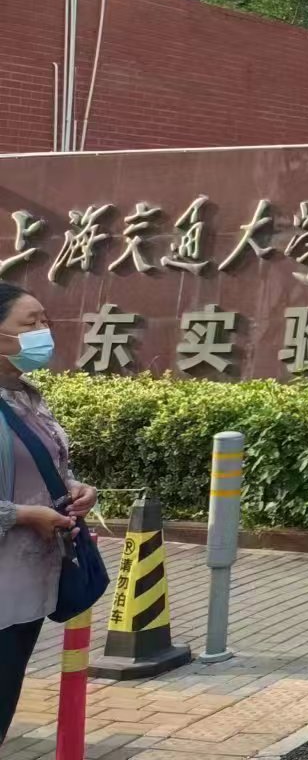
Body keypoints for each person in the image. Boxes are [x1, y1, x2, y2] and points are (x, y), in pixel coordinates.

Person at [2, 282, 98, 742]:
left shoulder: (27, 398)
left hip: (26, 587)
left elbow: (50, 464)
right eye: (30, 323)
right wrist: (24, 515)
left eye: (45, 321)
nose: (44, 332)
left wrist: (74, 488)